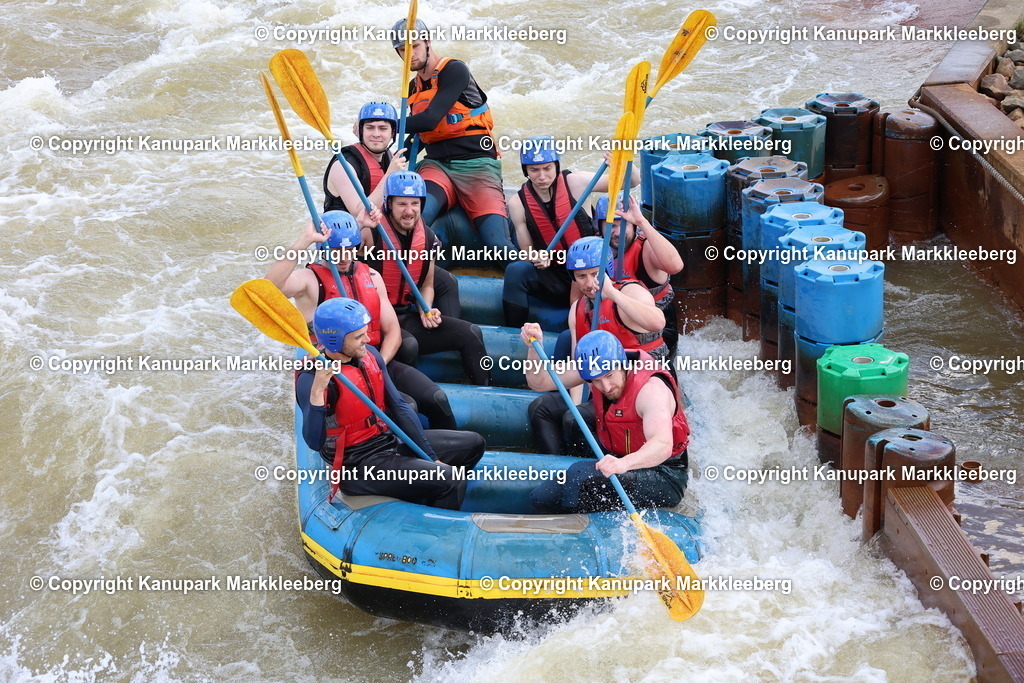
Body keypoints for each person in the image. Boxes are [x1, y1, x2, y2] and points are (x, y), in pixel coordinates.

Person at [264, 210, 459, 429]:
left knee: (437, 399)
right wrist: (304, 240)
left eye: (350, 250)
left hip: (372, 360)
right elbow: (268, 289)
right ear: (323, 249)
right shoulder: (308, 280)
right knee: (409, 406)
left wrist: (378, 366)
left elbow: (393, 332)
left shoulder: (372, 277)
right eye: (336, 251)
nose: (344, 257)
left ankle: (445, 458)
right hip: (335, 374)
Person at [296, 298, 484, 510]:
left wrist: (431, 457)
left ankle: (427, 496)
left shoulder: (370, 355)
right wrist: (317, 393)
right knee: (451, 478)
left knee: (474, 443)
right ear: (335, 341)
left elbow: (399, 406)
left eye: (365, 332)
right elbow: (313, 441)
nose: (367, 339)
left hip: (387, 442)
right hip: (357, 465)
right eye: (358, 336)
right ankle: (437, 522)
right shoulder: (312, 379)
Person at [524, 234, 667, 454]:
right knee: (542, 408)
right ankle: (561, 468)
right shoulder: (577, 311)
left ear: (607, 268)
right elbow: (542, 382)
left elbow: (657, 322)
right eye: (581, 276)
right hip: (605, 388)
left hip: (639, 388)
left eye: (594, 274)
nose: (589, 284)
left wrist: (611, 293)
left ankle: (604, 468)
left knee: (574, 419)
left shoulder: (630, 292)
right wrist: (534, 347)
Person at [522, 330, 690, 513]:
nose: (606, 387)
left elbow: (662, 445)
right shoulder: (596, 367)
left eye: (610, 376)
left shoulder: (651, 391)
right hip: (619, 457)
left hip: (663, 474)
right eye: (596, 381)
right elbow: (539, 383)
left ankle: (574, 522)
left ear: (622, 363)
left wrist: (623, 464)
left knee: (580, 477)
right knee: (541, 498)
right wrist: (532, 348)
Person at [391, 18, 513, 256]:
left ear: (427, 42)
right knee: (414, 219)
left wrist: (384, 124)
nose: (410, 55)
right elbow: (414, 134)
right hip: (437, 167)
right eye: (402, 50)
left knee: (498, 247)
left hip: (476, 165)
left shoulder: (454, 70)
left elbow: (429, 119)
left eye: (414, 46)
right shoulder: (411, 88)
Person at [360, 171, 491, 386]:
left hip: (404, 315)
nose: (409, 211)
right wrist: (359, 224)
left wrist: (425, 308)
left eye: (414, 204)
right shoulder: (372, 232)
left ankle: (485, 394)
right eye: (402, 204)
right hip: (374, 323)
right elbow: (337, 252)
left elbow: (428, 284)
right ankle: (401, 395)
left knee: (471, 332)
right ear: (389, 204)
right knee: (408, 344)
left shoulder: (428, 238)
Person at [502, 138, 640, 327]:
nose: (542, 176)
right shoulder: (517, 203)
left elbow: (632, 182)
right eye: (534, 170)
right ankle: (514, 333)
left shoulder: (576, 183)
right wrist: (537, 257)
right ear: (525, 170)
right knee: (516, 270)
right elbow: (527, 253)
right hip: (557, 276)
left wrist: (623, 163)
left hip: (593, 272)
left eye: (547, 168)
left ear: (556, 166)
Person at [596, 195, 683, 352]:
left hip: (654, 326)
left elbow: (676, 266)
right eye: (611, 226)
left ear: (634, 226)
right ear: (600, 228)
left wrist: (642, 221)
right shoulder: (595, 250)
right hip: (615, 321)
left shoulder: (646, 248)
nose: (618, 233)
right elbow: (578, 296)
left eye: (625, 225)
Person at [323, 101, 408, 215]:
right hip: (345, 230)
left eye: (383, 128)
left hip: (376, 228)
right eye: (370, 128)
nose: (376, 134)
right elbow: (360, 212)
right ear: (361, 131)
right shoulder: (343, 166)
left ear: (392, 133)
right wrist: (389, 175)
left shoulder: (390, 158)